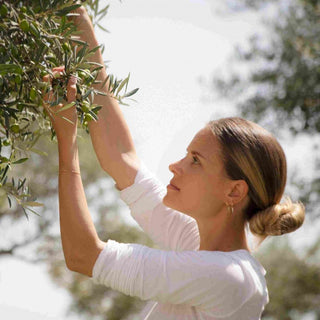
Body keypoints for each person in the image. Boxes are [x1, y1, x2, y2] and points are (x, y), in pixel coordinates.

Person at [43, 7, 305, 320]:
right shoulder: (196, 242)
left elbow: (83, 255)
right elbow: (122, 158)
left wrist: (67, 140)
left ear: (234, 192)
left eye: (195, 161)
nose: (175, 166)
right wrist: (84, 36)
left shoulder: (230, 277)